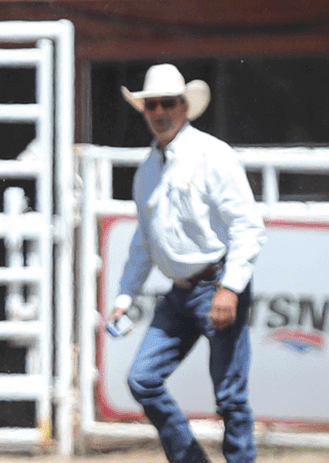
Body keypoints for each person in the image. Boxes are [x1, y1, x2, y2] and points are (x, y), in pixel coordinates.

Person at [108, 64, 266, 463]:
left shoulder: (212, 155)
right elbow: (145, 242)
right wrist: (124, 298)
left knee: (230, 397)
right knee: (142, 379)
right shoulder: (148, 170)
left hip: (216, 283)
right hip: (181, 291)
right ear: (144, 111)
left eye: (167, 103)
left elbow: (247, 225)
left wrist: (230, 288)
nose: (159, 111)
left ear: (184, 106)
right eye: (151, 104)